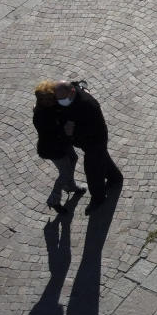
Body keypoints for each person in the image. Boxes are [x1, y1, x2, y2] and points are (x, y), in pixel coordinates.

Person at [53, 81, 123, 215]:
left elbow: (92, 129)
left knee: (92, 171)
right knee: (102, 158)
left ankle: (98, 198)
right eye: (58, 98)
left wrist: (71, 132)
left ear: (72, 92)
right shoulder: (70, 95)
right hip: (88, 141)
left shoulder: (88, 104)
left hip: (95, 140)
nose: (60, 101)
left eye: (62, 98)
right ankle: (115, 179)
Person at [33, 80, 85, 214]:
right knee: (64, 173)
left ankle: (71, 186)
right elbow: (51, 132)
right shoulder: (41, 115)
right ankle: (54, 200)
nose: (48, 101)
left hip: (62, 144)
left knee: (73, 158)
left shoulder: (53, 105)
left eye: (50, 98)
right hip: (53, 148)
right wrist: (66, 129)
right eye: (44, 99)